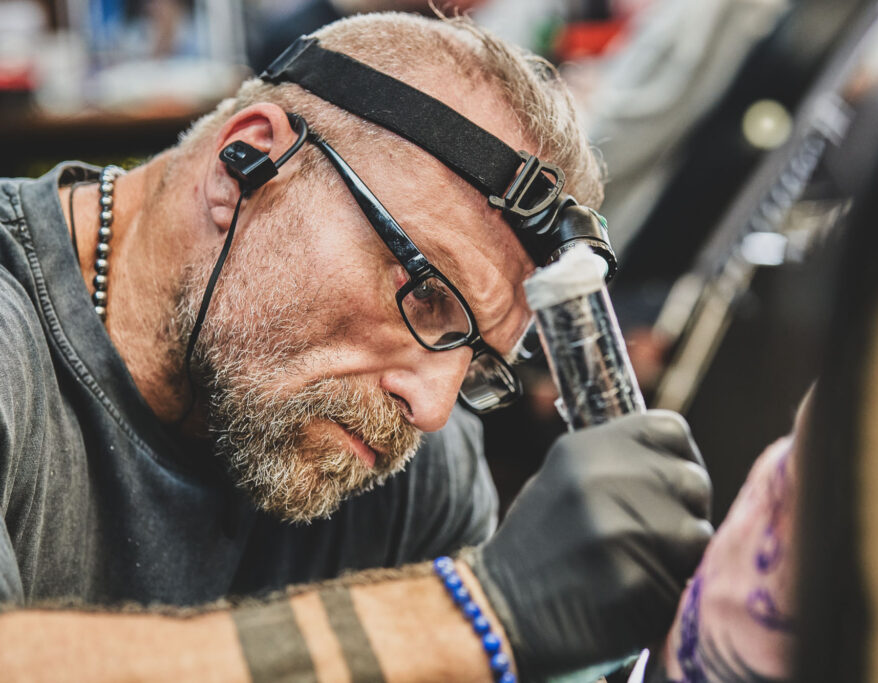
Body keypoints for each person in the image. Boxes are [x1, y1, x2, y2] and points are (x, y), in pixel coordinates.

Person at [0, 11, 712, 682]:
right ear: (246, 162)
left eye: (479, 365)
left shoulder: (411, 474)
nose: (432, 407)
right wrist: (477, 612)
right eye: (428, 295)